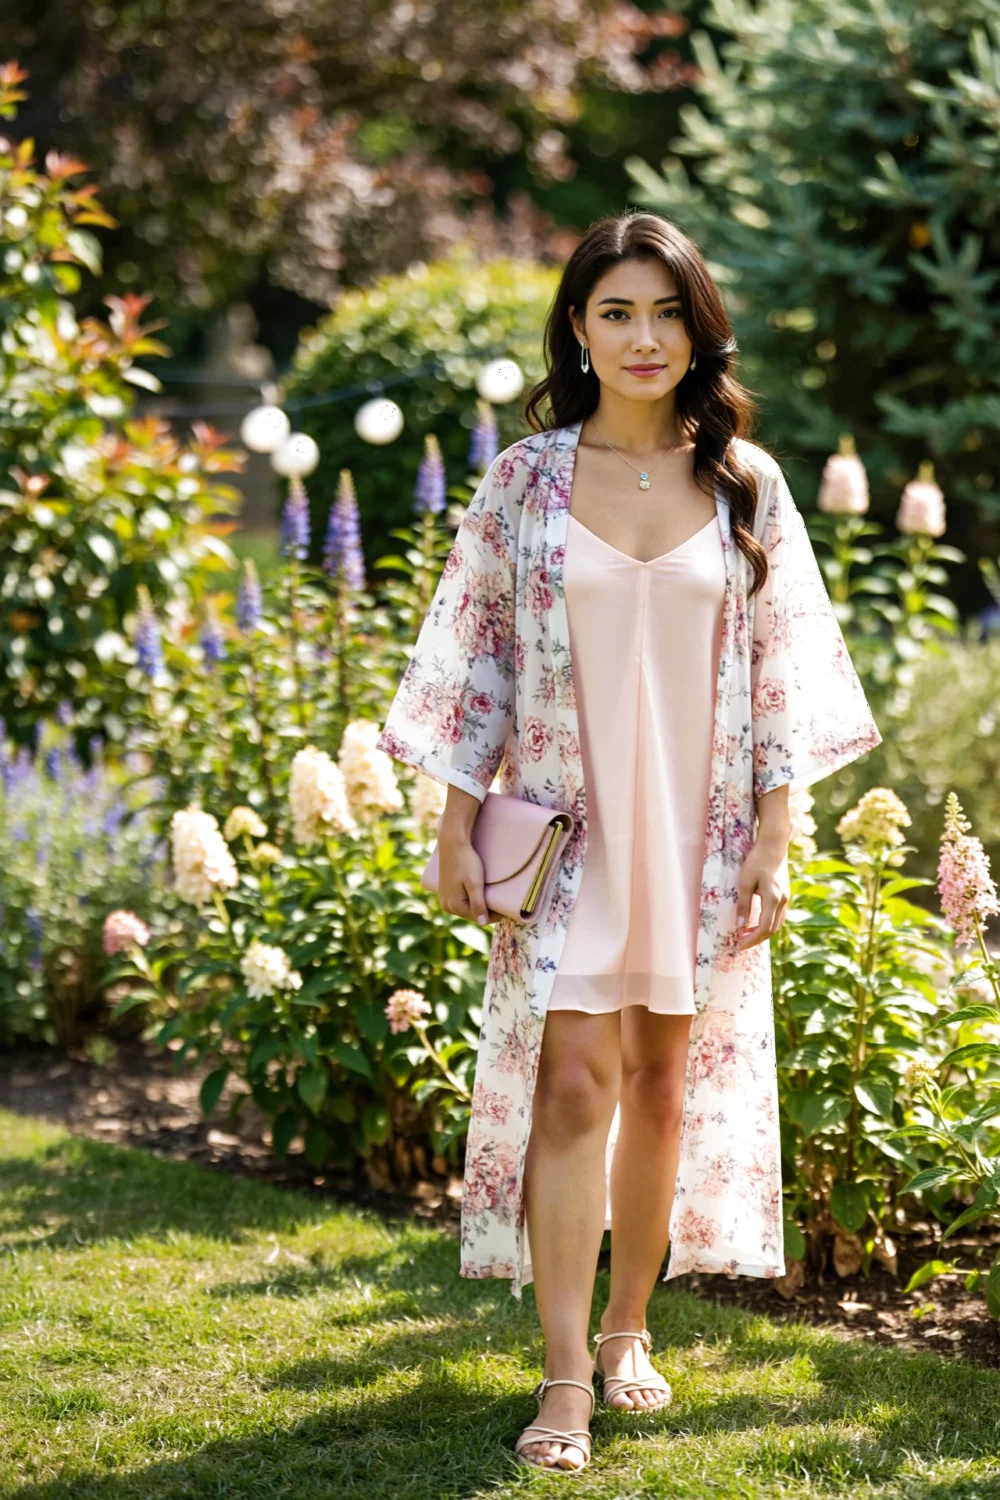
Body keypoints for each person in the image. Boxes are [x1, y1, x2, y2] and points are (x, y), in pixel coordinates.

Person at [376, 210, 881, 1474]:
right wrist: (453, 824)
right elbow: (475, 661)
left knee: (659, 1087)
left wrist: (775, 840)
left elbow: (784, 677)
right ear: (578, 329)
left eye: (666, 312)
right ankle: (563, 1380)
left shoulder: (746, 483)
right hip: (566, 835)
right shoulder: (525, 480)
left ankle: (627, 1330)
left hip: (701, 836)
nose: (643, 337)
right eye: (616, 313)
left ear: (698, 330)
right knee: (570, 1087)